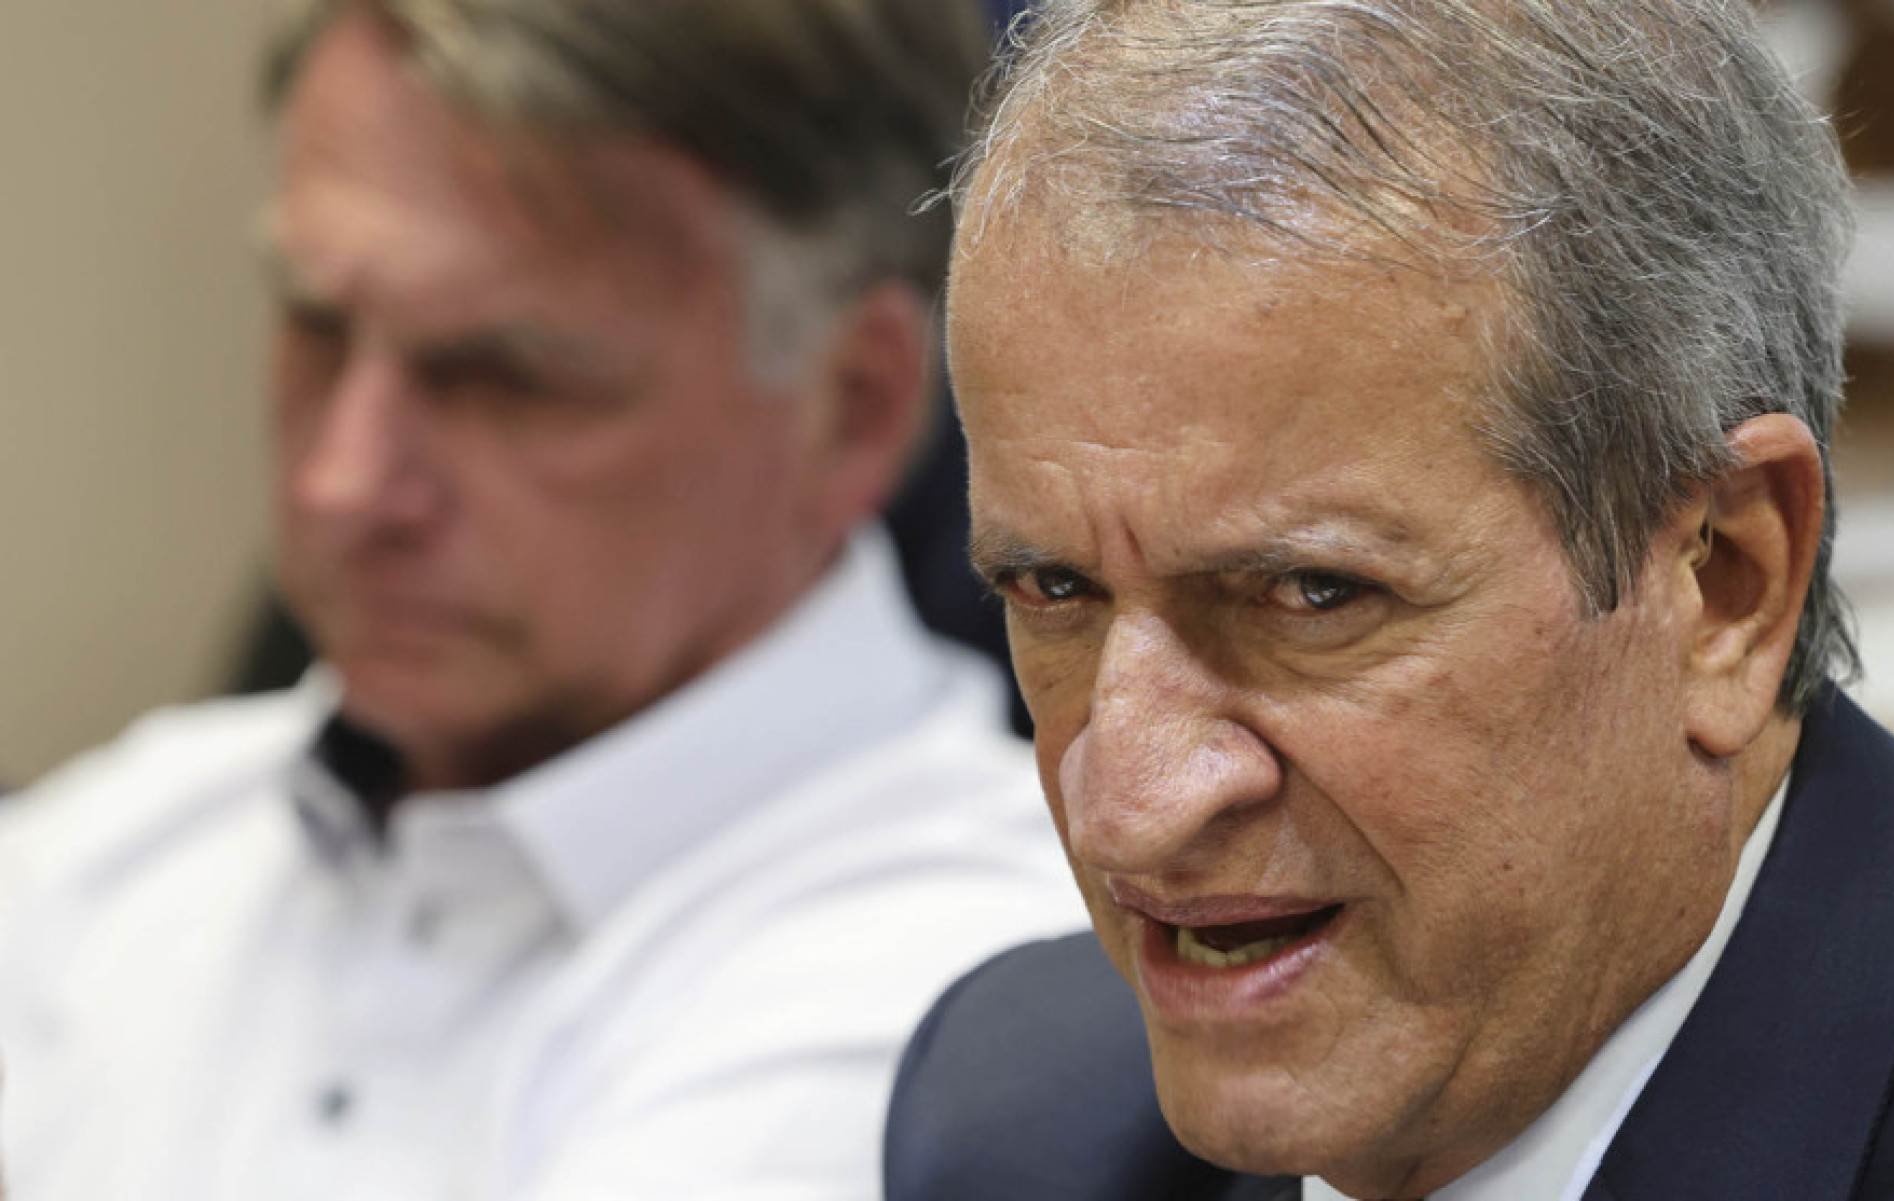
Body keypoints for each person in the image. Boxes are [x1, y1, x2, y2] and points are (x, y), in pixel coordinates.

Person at [883, 1, 1894, 1198]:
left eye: (1312, 594)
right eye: (1052, 586)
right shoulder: (1021, 1126)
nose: (1129, 812)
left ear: (1725, 586)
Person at [0, 1, 1082, 1197]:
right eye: (315, 324)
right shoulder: (111, 848)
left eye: (506, 376)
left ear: (856, 403)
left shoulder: (990, 984)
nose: (343, 483)